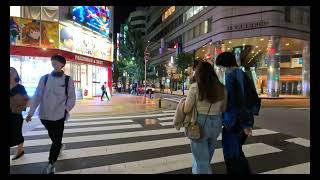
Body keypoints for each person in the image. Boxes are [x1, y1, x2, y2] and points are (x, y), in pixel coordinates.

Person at [26, 55, 76, 174]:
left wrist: (66, 110)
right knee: (54, 137)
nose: (54, 63)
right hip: (44, 115)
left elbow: (72, 97)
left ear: (62, 64)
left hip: (59, 115)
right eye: (53, 61)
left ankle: (51, 163)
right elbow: (37, 96)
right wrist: (30, 113)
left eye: (57, 61)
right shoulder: (44, 78)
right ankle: (59, 145)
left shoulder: (67, 80)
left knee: (56, 141)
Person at [183, 61, 227, 174]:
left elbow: (186, 109)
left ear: (198, 73)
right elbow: (223, 108)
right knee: (206, 154)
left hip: (200, 123)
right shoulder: (222, 88)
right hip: (217, 123)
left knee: (201, 158)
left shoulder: (195, 87)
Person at [216, 52, 253, 174]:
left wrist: (245, 124)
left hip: (234, 123)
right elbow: (251, 98)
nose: (221, 70)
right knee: (237, 152)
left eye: (221, 67)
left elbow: (238, 102)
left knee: (232, 154)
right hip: (239, 121)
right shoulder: (243, 74)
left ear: (226, 65)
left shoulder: (232, 76)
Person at [10, 67, 29, 160]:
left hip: (15, 114)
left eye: (12, 72)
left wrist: (20, 106)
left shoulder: (20, 87)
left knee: (17, 134)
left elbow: (26, 100)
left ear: (16, 75)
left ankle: (20, 150)